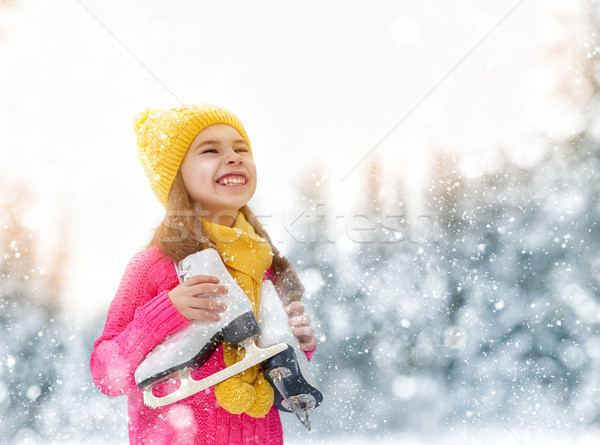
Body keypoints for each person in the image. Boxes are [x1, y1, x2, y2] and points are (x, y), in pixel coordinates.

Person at [90, 104, 317, 444]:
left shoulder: (262, 263)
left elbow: (265, 364)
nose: (234, 157)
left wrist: (296, 346)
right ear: (176, 177)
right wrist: (167, 312)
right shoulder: (154, 265)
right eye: (211, 150)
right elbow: (107, 375)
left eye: (241, 149)